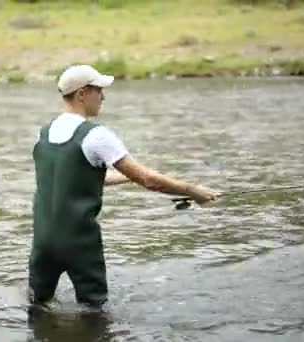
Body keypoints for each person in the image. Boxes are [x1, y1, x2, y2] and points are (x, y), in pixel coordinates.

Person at [28, 64, 221, 308]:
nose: (103, 96)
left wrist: (128, 177)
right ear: (81, 94)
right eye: (99, 90)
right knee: (94, 313)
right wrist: (194, 191)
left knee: (38, 307)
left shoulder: (42, 134)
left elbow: (73, 179)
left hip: (43, 242)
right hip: (79, 243)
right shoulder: (96, 135)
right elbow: (149, 180)